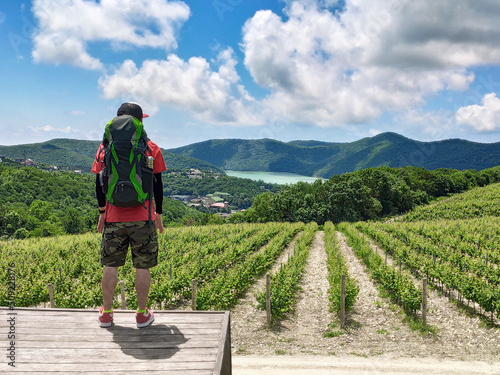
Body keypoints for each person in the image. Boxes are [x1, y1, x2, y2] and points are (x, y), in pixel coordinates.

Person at [91, 102, 166, 328]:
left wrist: (103, 212)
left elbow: (99, 183)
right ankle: (142, 315)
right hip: (143, 217)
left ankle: (107, 314)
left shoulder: (104, 149)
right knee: (142, 266)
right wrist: (158, 213)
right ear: (138, 122)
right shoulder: (151, 148)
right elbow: (158, 185)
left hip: (114, 217)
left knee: (110, 266)